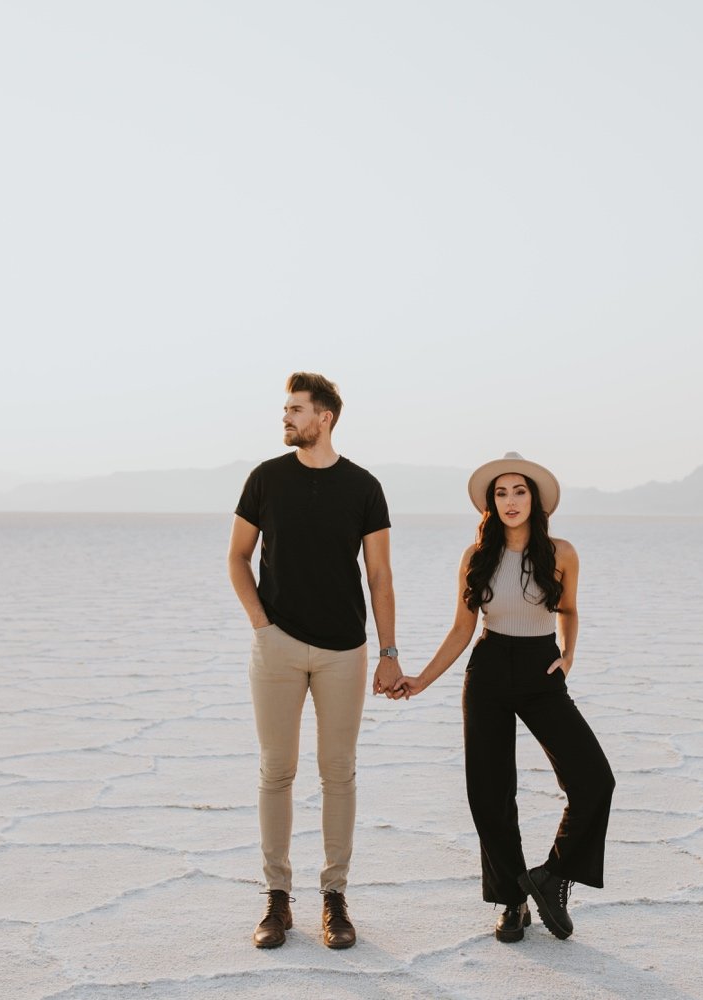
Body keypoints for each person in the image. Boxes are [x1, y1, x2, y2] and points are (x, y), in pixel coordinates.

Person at [396, 452, 614, 942]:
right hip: (489, 668)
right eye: (501, 493)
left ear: (534, 499)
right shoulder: (477, 558)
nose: (511, 501)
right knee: (490, 794)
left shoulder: (561, 553)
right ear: (491, 504)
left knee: (594, 780)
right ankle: (513, 901)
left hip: (541, 670)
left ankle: (552, 876)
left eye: (519, 491)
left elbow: (570, 610)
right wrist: (421, 679)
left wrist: (569, 654)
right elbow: (460, 628)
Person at [227, 372, 403, 950]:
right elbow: (237, 558)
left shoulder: (364, 486)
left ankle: (334, 897)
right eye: (285, 408)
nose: (286, 417)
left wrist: (388, 653)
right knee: (276, 770)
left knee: (338, 772)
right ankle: (276, 899)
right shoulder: (265, 479)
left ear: (323, 417)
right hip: (276, 647)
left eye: (295, 409)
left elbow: (379, 576)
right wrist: (263, 627)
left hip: (343, 651)